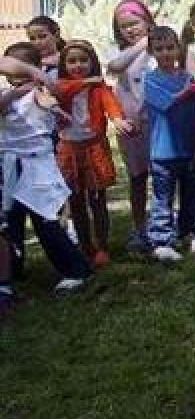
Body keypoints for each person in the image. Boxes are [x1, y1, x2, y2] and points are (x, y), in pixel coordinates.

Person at [1, 43, 93, 293]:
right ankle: (11, 269)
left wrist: (56, 109)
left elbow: (50, 100)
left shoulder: (39, 91)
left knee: (45, 220)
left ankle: (75, 269)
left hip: (37, 165)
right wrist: (15, 93)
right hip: (9, 164)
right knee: (10, 221)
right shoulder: (5, 93)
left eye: (22, 66)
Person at [53, 40, 134, 266]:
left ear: (92, 62)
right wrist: (88, 80)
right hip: (69, 150)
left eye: (83, 60)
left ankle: (102, 246)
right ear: (63, 64)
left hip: (94, 147)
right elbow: (62, 89)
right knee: (75, 201)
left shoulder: (99, 89)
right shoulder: (59, 86)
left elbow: (111, 105)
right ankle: (84, 245)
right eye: (71, 61)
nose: (78, 65)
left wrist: (118, 120)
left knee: (97, 199)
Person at [144, 26, 195, 261]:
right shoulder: (149, 79)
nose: (166, 53)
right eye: (159, 49)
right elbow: (166, 102)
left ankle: (191, 231)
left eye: (171, 47)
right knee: (162, 196)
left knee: (193, 192)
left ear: (179, 49)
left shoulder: (188, 77)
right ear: (151, 52)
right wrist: (189, 91)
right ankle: (161, 239)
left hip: (190, 146)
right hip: (162, 150)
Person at [105, 0, 157, 253]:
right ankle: (139, 227)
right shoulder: (118, 51)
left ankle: (164, 225)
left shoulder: (162, 46)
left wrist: (151, 44)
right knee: (138, 176)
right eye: (123, 26)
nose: (129, 29)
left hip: (160, 122)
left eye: (134, 23)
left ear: (147, 21)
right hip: (132, 125)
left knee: (165, 175)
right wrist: (141, 45)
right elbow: (115, 67)